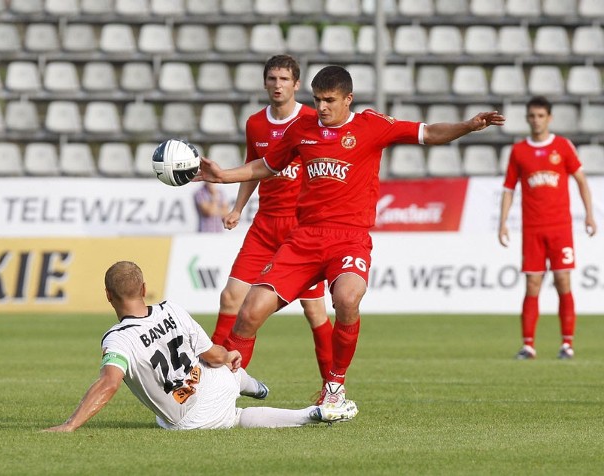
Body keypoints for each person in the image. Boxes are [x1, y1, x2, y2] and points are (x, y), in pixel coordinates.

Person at [194, 65, 505, 408]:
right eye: (318, 100)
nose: (322, 107)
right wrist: (222, 176)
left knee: (347, 298)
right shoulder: (302, 129)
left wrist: (467, 126)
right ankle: (220, 392)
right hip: (304, 239)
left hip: (349, 237)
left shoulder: (371, 125)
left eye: (329, 100)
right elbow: (266, 166)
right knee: (250, 310)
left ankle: (335, 385)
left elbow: (428, 133)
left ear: (348, 99)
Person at [43, 261, 358, 432]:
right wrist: (230, 357)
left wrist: (71, 425)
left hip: (190, 419)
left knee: (230, 418)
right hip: (212, 382)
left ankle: (307, 414)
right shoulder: (172, 310)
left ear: (108, 296)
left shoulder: (118, 338)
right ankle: (254, 385)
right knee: (223, 363)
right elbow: (213, 355)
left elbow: (110, 382)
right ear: (143, 288)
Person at [211, 55, 333, 383]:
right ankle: (211, 382)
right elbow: (254, 166)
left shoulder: (312, 119)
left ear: (296, 85)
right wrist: (238, 208)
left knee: (314, 311)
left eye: (284, 79)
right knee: (231, 297)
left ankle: (333, 386)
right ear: (265, 82)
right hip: (265, 225)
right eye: (272, 79)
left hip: (301, 229)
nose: (277, 85)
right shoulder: (255, 123)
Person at [498, 96, 596, 360]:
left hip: (560, 227)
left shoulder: (563, 146)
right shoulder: (519, 151)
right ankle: (528, 345)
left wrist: (589, 215)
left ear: (549, 118)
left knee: (563, 280)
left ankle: (567, 344)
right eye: (532, 116)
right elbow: (509, 189)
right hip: (533, 229)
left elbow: (581, 181)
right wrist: (503, 222)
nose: (536, 120)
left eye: (541, 115)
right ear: (527, 118)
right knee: (532, 284)